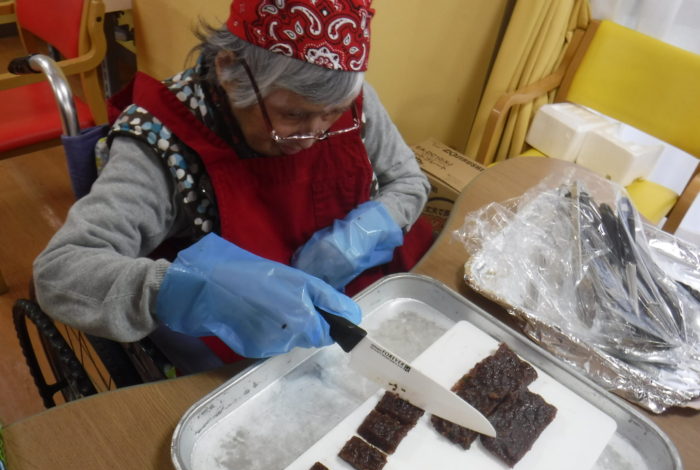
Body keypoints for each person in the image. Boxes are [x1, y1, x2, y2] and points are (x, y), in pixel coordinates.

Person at [32, 0, 432, 372]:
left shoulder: (348, 101)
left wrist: (361, 234)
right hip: (244, 342)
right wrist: (185, 290)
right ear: (228, 68)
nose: (312, 136)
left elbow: (409, 183)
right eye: (292, 114)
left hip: (358, 305)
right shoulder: (162, 140)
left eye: (333, 114)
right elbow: (60, 272)